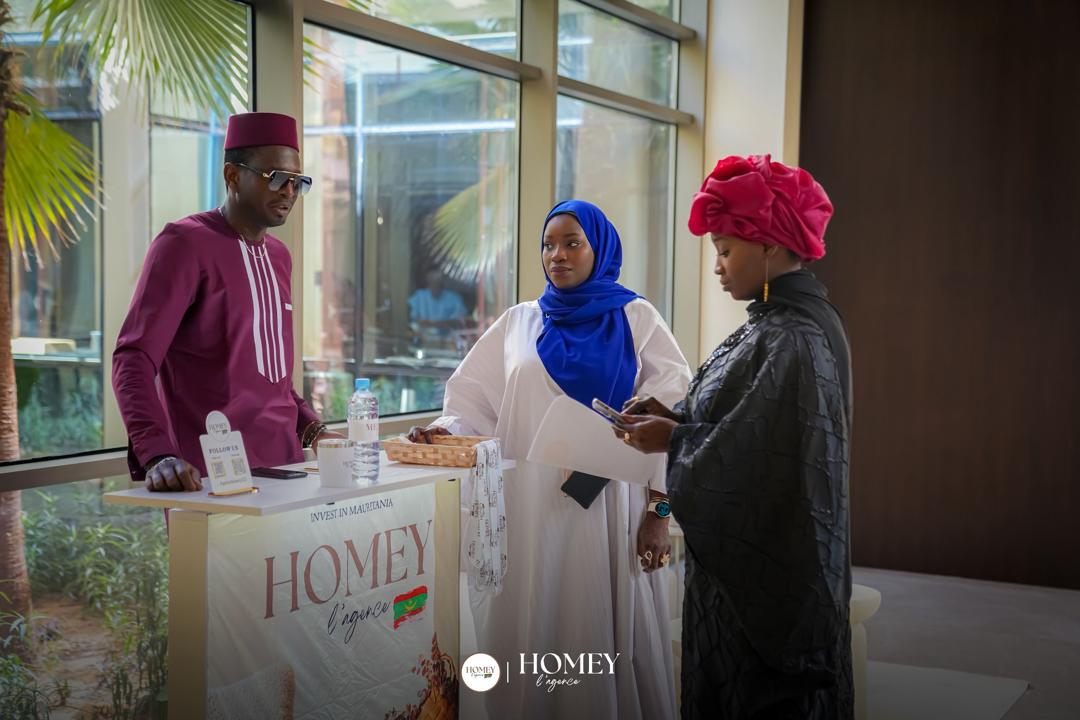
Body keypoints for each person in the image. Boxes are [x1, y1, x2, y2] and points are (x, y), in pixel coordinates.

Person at [409, 200, 690, 720]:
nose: (556, 255)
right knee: (532, 620)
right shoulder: (520, 322)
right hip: (529, 510)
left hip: (610, 512)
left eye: (572, 243)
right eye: (548, 244)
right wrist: (443, 433)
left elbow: (674, 422)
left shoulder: (637, 318)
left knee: (600, 623)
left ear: (599, 249)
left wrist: (659, 514)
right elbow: (472, 402)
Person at [617, 155, 854, 719]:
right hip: (749, 576)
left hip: (768, 591)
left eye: (725, 250)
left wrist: (673, 442)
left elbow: (765, 462)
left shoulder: (793, 337)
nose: (718, 267)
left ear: (769, 245)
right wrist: (678, 420)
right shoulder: (776, 323)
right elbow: (748, 426)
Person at [113, 112, 342, 492]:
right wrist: (157, 453)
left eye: (298, 181)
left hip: (288, 472)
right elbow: (133, 357)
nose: (289, 191)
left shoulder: (279, 256)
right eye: (277, 178)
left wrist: (313, 429)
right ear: (232, 176)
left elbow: (271, 379)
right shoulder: (184, 244)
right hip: (208, 478)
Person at [407, 268, 468, 338]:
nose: (435, 285)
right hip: (423, 338)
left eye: (438, 282)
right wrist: (439, 324)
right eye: (432, 282)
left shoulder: (454, 298)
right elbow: (414, 319)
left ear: (442, 283)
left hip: (448, 339)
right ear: (428, 282)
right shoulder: (419, 296)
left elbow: (458, 322)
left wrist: (432, 324)